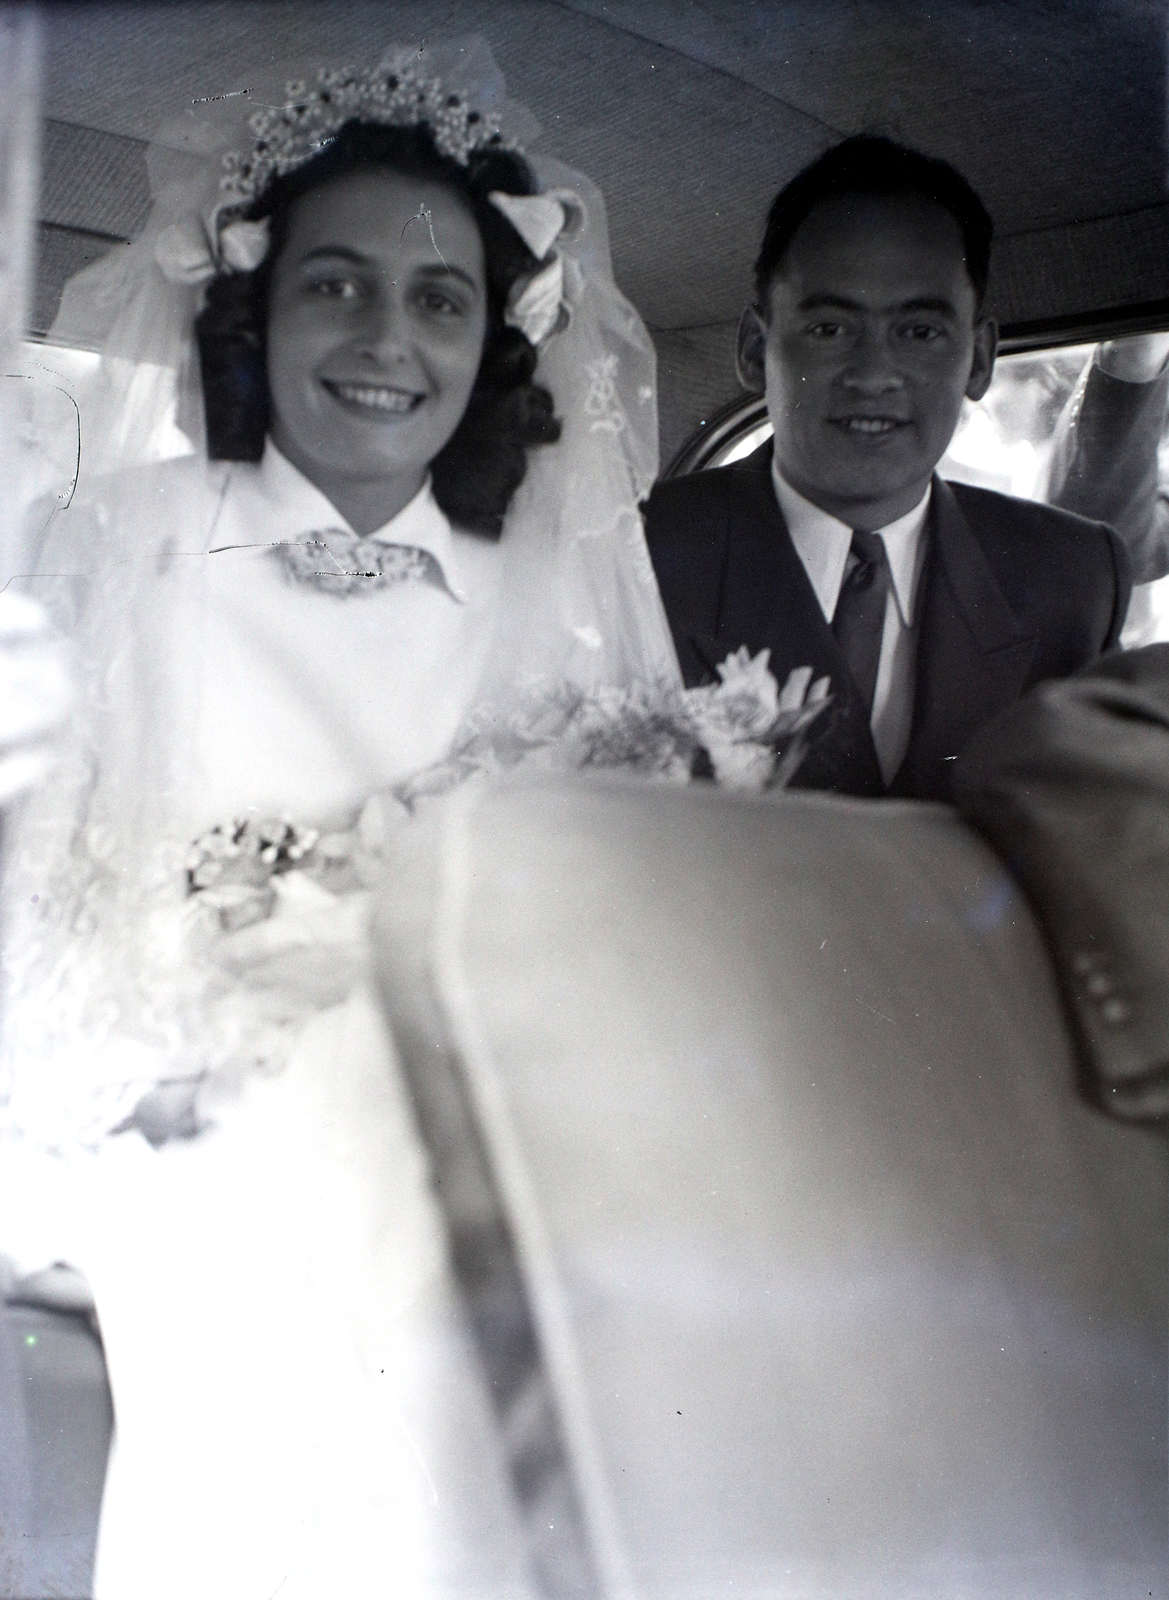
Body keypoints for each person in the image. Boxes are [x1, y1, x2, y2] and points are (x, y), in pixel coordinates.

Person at [0, 43, 685, 1600]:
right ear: (255, 306)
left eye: (441, 298)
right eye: (338, 286)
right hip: (188, 1217)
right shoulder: (119, 544)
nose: (389, 339)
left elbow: (628, 944)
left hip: (484, 1214)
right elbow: (28, 923)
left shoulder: (560, 594)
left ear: (491, 339)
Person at [643, 136, 1132, 802]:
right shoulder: (637, 554)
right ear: (757, 350)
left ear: (980, 358)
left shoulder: (1072, 578)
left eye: (919, 332)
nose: (873, 375)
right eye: (829, 330)